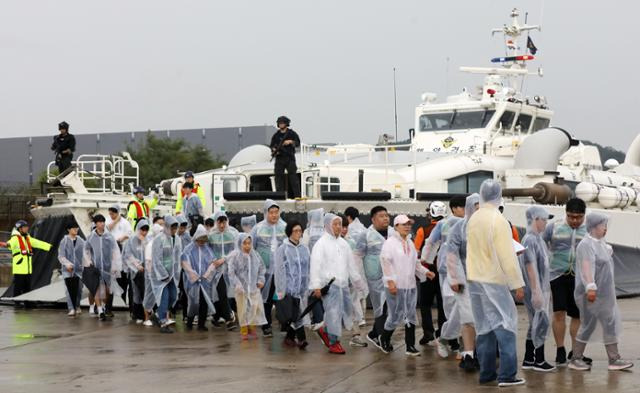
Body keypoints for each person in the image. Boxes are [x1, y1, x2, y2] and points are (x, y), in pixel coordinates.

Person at [466, 179, 526, 387]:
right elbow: (507, 256)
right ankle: (508, 375)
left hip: (475, 280)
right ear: (499, 195)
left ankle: (487, 373)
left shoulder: (473, 219)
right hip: (494, 280)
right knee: (505, 325)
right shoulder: (497, 220)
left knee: (484, 327)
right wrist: (516, 284)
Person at [569, 213, 633, 371]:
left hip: (604, 295)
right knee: (588, 325)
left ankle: (614, 359)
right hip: (591, 295)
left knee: (609, 324)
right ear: (594, 226)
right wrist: (590, 287)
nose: (605, 228)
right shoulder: (586, 244)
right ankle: (576, 359)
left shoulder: (600, 244)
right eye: (602, 225)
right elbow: (586, 267)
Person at [543, 198, 589, 366]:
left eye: (578, 217)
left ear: (584, 215)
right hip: (557, 275)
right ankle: (560, 349)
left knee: (577, 315)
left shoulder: (590, 230)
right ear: (566, 214)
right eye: (571, 217)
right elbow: (541, 244)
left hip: (580, 277)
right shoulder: (553, 227)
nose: (575, 220)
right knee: (559, 313)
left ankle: (575, 352)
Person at [310, 214, 365, 354]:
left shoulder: (344, 244)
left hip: (343, 285)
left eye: (340, 224)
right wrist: (316, 285)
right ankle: (334, 342)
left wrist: (358, 282)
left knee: (344, 313)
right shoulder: (321, 244)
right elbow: (315, 265)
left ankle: (325, 329)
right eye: (335, 224)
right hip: (329, 285)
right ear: (328, 225)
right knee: (333, 313)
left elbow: (351, 266)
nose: (338, 227)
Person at [438, 194, 481, 371]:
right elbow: (451, 254)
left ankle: (446, 338)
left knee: (474, 317)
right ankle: (468, 354)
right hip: (463, 279)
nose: (479, 210)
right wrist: (455, 278)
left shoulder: (489, 227)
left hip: (484, 279)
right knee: (468, 316)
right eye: (476, 207)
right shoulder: (459, 228)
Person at [379, 214, 432, 356]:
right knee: (395, 315)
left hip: (410, 285)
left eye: (409, 224)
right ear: (396, 226)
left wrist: (425, 272)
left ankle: (410, 345)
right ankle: (384, 338)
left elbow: (415, 263)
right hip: (396, 285)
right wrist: (390, 282)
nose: (408, 227)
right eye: (404, 224)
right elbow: (386, 262)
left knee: (410, 315)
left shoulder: (409, 243)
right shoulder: (390, 243)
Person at [419, 195, 466, 347]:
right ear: (454, 208)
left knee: (455, 304)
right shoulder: (446, 224)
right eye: (462, 207)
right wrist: (425, 260)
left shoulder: (464, 223)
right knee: (451, 304)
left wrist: (427, 258)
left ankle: (453, 338)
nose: (465, 210)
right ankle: (452, 338)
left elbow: (431, 243)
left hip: (459, 269)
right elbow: (431, 242)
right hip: (448, 270)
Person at [519, 206, 556, 372]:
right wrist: (536, 291)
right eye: (544, 219)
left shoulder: (537, 239)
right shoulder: (530, 240)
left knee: (536, 322)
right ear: (535, 219)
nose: (546, 223)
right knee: (540, 322)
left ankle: (529, 358)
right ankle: (538, 360)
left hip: (541, 287)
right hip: (535, 288)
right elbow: (530, 265)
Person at [354, 205, 394, 350]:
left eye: (387, 215)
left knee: (391, 308)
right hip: (375, 277)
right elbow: (358, 256)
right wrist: (359, 277)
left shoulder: (394, 232)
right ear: (373, 219)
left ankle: (374, 334)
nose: (385, 218)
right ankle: (383, 339)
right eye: (381, 216)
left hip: (392, 276)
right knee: (380, 308)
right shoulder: (365, 235)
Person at [251, 199, 287, 337]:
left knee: (280, 298)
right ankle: (266, 326)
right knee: (265, 299)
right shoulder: (258, 228)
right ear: (266, 213)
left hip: (280, 271)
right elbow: (252, 248)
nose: (274, 215)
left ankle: (285, 323)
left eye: (276, 212)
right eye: (271, 212)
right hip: (264, 272)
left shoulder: (284, 227)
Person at [274, 221, 311, 349]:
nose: (298, 233)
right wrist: (280, 290)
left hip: (302, 288)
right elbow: (279, 271)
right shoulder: (283, 249)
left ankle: (289, 337)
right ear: (290, 232)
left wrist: (309, 284)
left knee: (297, 314)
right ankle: (302, 339)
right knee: (298, 314)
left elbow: (308, 267)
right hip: (289, 288)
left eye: (300, 231)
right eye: (295, 231)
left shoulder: (304, 248)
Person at [227, 233, 267, 340]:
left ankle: (252, 329)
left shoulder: (255, 255)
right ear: (239, 244)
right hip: (241, 289)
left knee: (254, 308)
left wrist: (260, 279)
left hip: (253, 288)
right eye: (244, 243)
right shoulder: (235, 256)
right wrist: (237, 284)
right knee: (242, 309)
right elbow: (231, 272)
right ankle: (244, 330)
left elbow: (262, 269)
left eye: (249, 243)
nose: (247, 246)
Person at [83, 214, 122, 321]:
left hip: (108, 267)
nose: (102, 224)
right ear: (95, 224)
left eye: (103, 222)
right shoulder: (91, 237)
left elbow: (115, 251)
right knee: (96, 289)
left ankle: (104, 307)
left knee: (107, 290)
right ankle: (100, 311)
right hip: (95, 268)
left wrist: (115, 265)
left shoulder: (109, 237)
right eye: (100, 222)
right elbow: (86, 250)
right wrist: (89, 261)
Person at [181, 225, 220, 331]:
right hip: (192, 282)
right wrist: (194, 275)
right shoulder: (188, 249)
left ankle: (201, 324)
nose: (202, 242)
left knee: (203, 302)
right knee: (193, 302)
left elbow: (213, 263)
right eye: (200, 240)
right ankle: (189, 321)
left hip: (204, 282)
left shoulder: (207, 249)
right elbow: (185, 263)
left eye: (204, 240)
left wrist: (206, 275)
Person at [0, 220, 52, 299]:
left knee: (27, 287)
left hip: (28, 268)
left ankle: (27, 302)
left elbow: (37, 242)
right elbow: (9, 243)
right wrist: (5, 244)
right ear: (19, 229)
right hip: (20, 268)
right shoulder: (15, 238)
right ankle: (17, 303)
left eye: (27, 227)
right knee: (18, 287)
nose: (27, 228)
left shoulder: (27, 238)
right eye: (24, 227)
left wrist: (49, 246)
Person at [149, 215, 182, 333]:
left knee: (173, 296)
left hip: (172, 274)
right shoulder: (159, 239)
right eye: (172, 228)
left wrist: (177, 271)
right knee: (164, 297)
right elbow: (157, 258)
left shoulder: (177, 239)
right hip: (161, 275)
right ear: (167, 227)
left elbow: (178, 256)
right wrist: (163, 274)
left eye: (175, 228)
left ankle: (158, 314)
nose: (174, 231)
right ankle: (163, 323)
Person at [340, 214, 368, 346]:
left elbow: (353, 263)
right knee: (333, 309)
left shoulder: (350, 242)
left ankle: (355, 335)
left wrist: (356, 278)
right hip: (335, 283)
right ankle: (329, 335)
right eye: (341, 226)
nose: (344, 229)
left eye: (345, 226)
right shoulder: (326, 243)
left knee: (353, 306)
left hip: (349, 281)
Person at [208, 211, 239, 329]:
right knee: (220, 292)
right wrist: (214, 260)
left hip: (229, 268)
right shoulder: (211, 235)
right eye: (219, 222)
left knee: (225, 293)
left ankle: (217, 316)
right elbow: (208, 250)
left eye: (224, 222)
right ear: (216, 222)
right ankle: (228, 319)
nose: (222, 225)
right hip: (216, 269)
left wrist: (224, 259)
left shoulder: (233, 234)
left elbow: (236, 250)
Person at [106, 204, 133, 317]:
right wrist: (115, 220)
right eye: (110, 214)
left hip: (122, 251)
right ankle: (108, 309)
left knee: (123, 282)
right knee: (111, 283)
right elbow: (109, 228)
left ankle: (125, 304)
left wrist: (121, 239)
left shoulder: (125, 222)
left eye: (113, 214)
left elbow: (129, 233)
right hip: (112, 252)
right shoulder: (109, 220)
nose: (111, 216)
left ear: (117, 212)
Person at [122, 219, 151, 325]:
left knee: (146, 293)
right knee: (136, 293)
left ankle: (146, 315)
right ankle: (138, 315)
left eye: (146, 230)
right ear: (138, 229)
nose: (144, 232)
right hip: (136, 272)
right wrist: (137, 265)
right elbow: (128, 255)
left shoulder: (148, 240)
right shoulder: (131, 240)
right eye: (142, 230)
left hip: (147, 272)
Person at [270, 115, 301, 198]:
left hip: (289, 158)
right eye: (279, 123)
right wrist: (274, 151)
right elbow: (272, 146)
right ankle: (280, 196)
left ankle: (297, 196)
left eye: (282, 123)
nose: (281, 125)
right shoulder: (276, 135)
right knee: (278, 178)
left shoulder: (291, 133)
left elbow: (298, 143)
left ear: (286, 124)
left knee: (293, 178)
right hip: (279, 158)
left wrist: (291, 141)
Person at [58, 222, 84, 317]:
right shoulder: (64, 241)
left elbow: (85, 253)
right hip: (67, 270)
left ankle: (77, 305)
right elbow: (61, 256)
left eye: (77, 228)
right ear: (69, 229)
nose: (76, 230)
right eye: (73, 228)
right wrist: (67, 264)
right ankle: (71, 308)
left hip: (78, 269)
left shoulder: (81, 240)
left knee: (79, 289)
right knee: (69, 290)